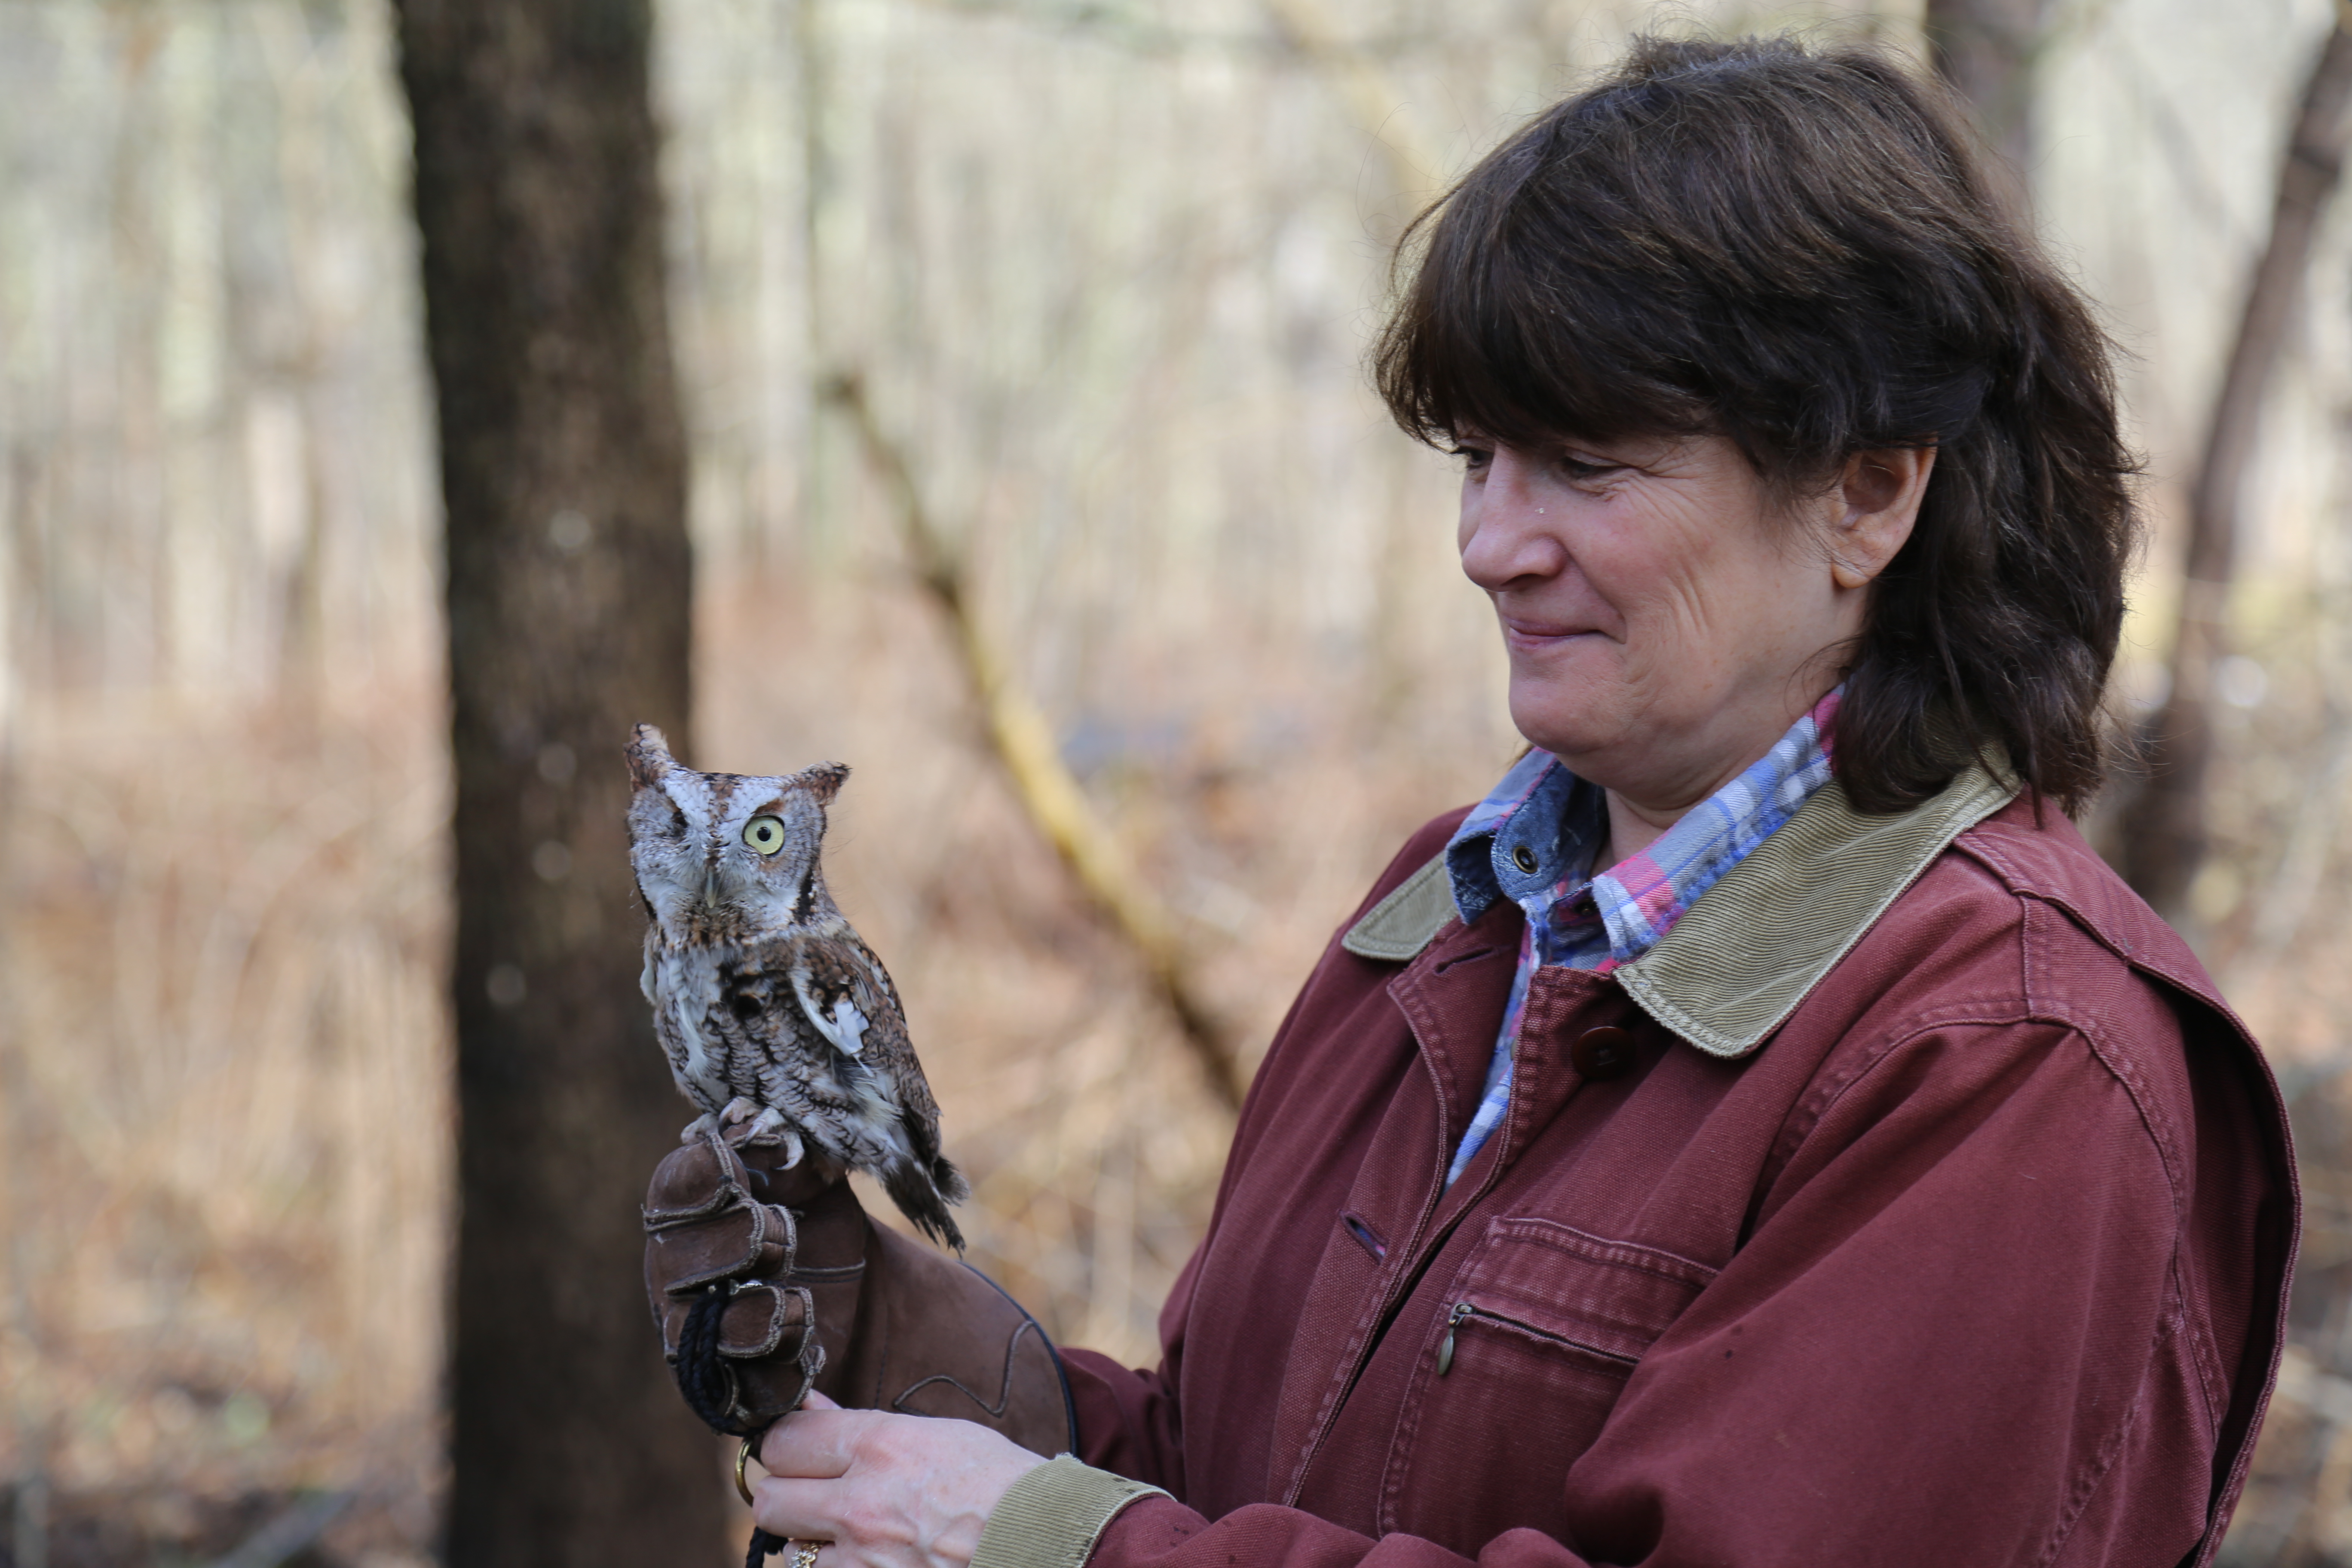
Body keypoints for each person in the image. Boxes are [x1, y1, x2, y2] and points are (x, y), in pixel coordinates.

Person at [643, 32, 2297, 1568]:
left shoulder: (2010, 1053)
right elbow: (1241, 1477)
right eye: (1478, 458)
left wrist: (1044, 1546)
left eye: (1587, 464)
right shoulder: (1447, 913)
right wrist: (918, 1372)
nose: (1491, 543)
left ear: (1869, 491)